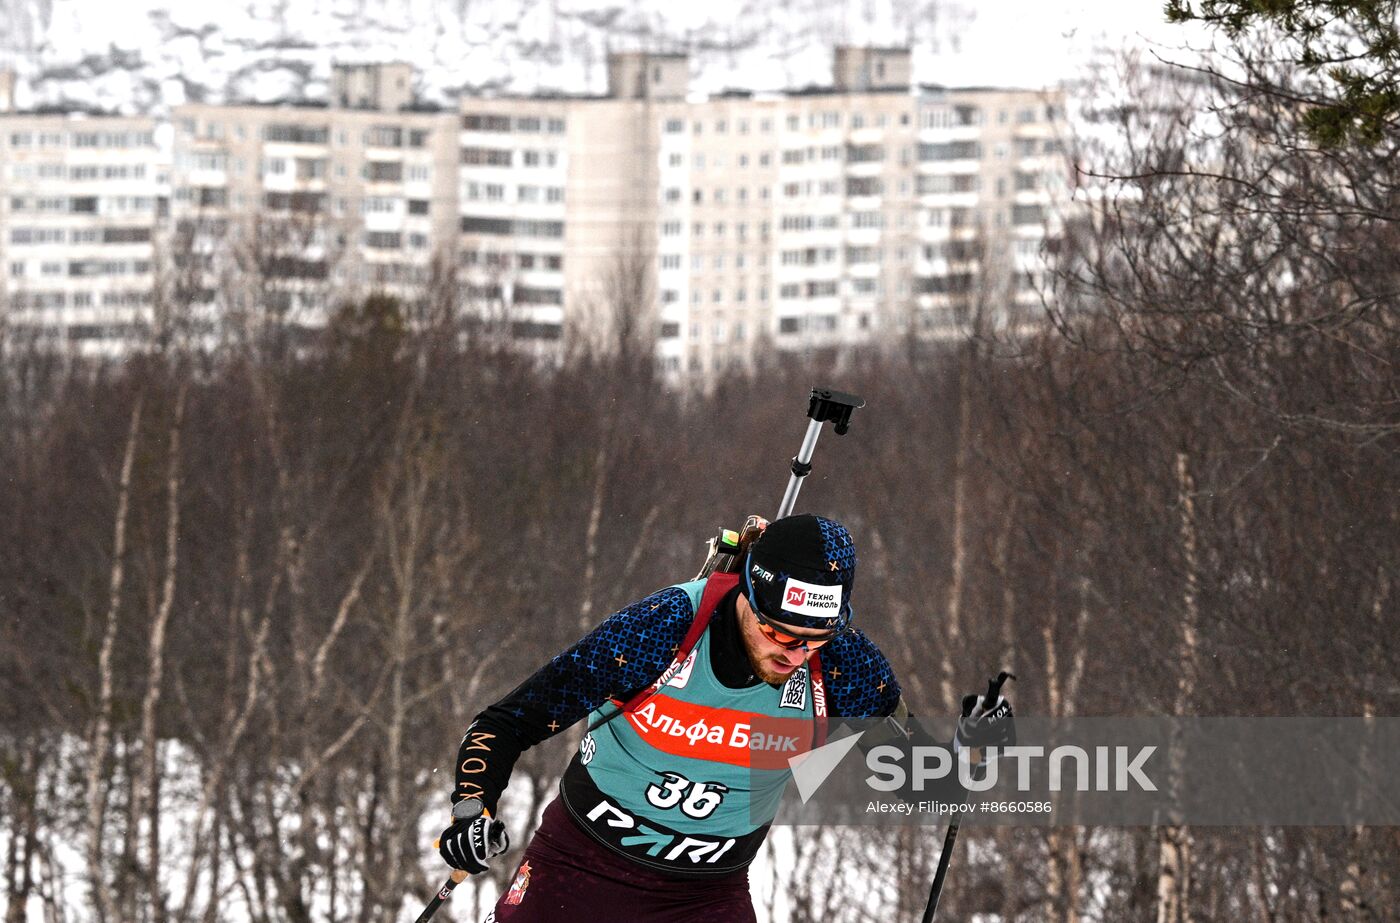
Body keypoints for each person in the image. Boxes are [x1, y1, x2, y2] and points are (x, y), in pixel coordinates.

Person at [436, 513, 1013, 921]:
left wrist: (974, 750)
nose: (794, 653)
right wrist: (470, 811)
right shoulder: (663, 629)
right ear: (745, 597)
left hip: (704, 896)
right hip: (582, 868)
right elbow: (505, 723)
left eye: (813, 639)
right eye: (778, 633)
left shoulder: (843, 667)